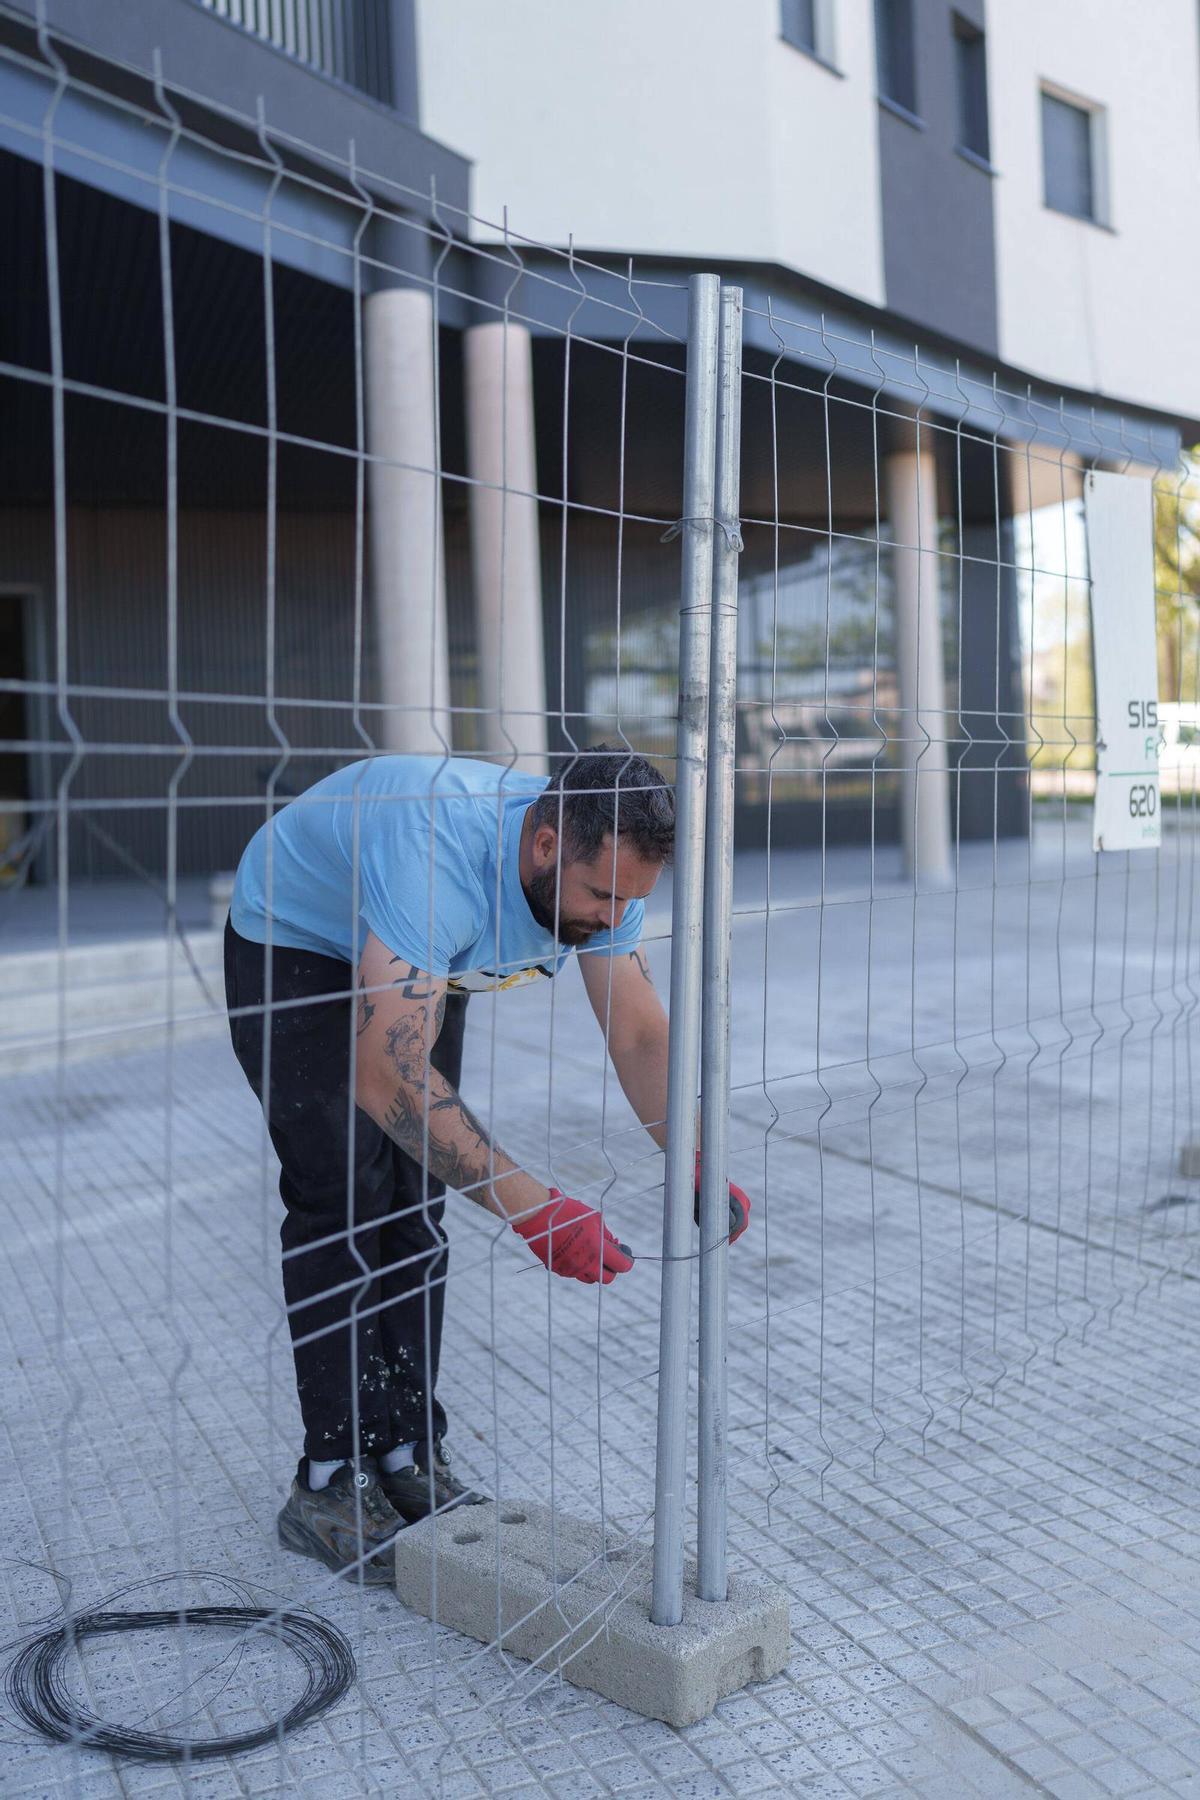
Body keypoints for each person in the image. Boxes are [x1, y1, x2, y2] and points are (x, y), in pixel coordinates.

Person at [223, 745, 750, 1583]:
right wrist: (537, 1210)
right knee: (341, 1197)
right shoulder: (437, 856)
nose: (614, 915)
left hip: (421, 951)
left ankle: (405, 1452)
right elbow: (386, 1077)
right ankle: (327, 1481)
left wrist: (693, 1156)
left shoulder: (606, 868)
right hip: (299, 937)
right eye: (601, 896)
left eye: (632, 900)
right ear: (545, 845)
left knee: (413, 1202)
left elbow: (638, 1031)